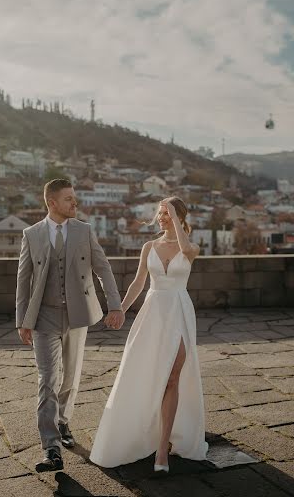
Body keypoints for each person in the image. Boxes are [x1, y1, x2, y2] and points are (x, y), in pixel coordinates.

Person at [90, 196, 208, 473]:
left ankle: (162, 450)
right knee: (146, 374)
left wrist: (176, 220)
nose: (162, 217)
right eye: (160, 212)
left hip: (178, 311)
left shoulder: (191, 248)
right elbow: (139, 282)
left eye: (167, 213)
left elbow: (185, 246)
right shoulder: (149, 247)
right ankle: (143, 431)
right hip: (152, 313)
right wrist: (118, 309)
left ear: (179, 217)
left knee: (172, 377)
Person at [16, 178, 124, 472]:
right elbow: (23, 280)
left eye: (74, 198)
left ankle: (63, 422)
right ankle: (51, 448)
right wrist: (22, 321)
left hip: (77, 315)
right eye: (68, 199)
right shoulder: (32, 234)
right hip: (43, 316)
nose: (75, 203)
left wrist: (114, 304)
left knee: (71, 377)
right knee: (47, 380)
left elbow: (103, 268)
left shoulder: (84, 231)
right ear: (52, 203)